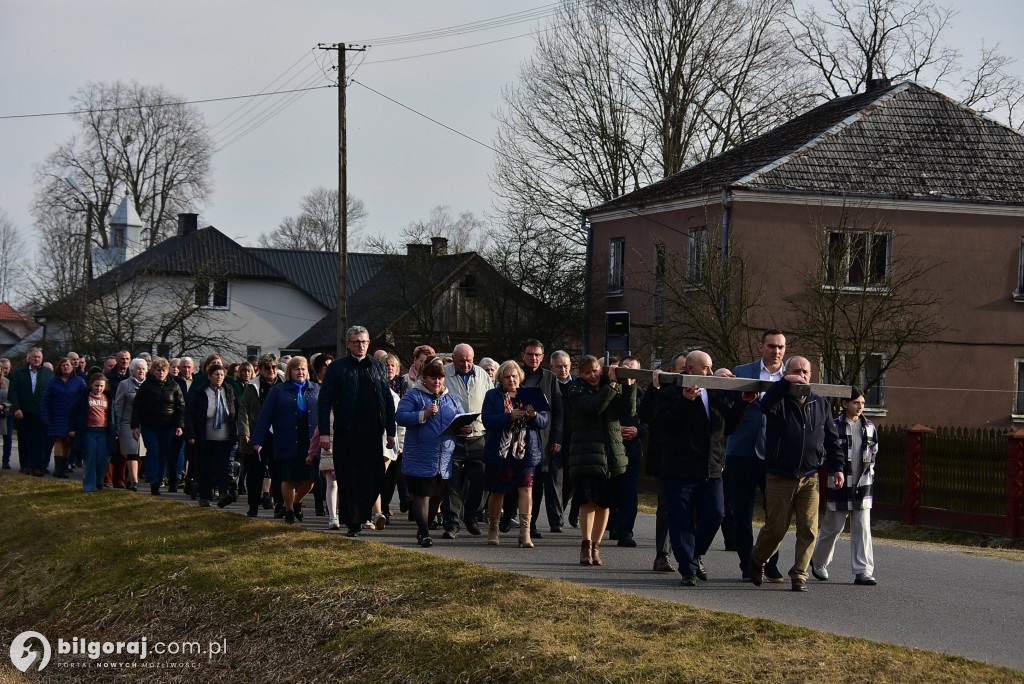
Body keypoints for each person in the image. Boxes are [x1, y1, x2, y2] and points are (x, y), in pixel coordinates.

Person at [652, 351, 755, 586]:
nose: (710, 373)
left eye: (711, 368)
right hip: (679, 469)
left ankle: (695, 554)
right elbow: (663, 427)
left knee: (715, 513)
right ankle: (688, 569)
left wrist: (743, 403)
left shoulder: (715, 392)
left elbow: (727, 427)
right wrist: (685, 402)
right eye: (706, 368)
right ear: (690, 370)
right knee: (681, 520)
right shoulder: (671, 392)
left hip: (711, 468)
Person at [749, 356, 843, 592]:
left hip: (810, 476)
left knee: (809, 528)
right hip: (780, 475)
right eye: (796, 371)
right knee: (777, 528)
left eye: (806, 371)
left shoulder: (820, 404)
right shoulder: (779, 400)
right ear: (786, 373)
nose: (802, 374)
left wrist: (838, 467)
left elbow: (832, 440)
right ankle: (758, 559)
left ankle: (799, 574)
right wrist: (783, 383)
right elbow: (764, 405)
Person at [318, 325, 396, 537]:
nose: (361, 345)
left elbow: (387, 400)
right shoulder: (337, 367)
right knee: (349, 477)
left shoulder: (378, 367)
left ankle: (363, 512)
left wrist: (391, 431)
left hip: (373, 431)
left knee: (377, 475)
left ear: (369, 343)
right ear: (348, 344)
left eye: (364, 342)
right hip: (347, 431)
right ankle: (353, 522)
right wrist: (324, 432)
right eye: (356, 342)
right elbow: (324, 401)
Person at [725, 330, 788, 582]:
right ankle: (746, 564)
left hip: (775, 455)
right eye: (771, 346)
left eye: (781, 347)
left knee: (775, 515)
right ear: (761, 347)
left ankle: (769, 563)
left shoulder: (791, 376)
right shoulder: (743, 370)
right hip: (742, 452)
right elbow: (729, 404)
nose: (776, 351)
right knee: (742, 513)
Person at [568, 355, 634, 566]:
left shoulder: (610, 387)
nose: (593, 375)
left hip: (610, 455)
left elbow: (628, 411)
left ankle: (596, 547)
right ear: (580, 374)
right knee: (587, 501)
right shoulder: (576, 390)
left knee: (605, 503)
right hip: (586, 454)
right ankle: (585, 547)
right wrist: (613, 384)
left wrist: (627, 385)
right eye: (587, 372)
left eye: (595, 370)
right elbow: (594, 406)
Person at [396, 356, 469, 547]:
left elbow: (460, 418)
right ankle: (424, 532)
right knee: (422, 495)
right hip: (420, 454)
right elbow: (400, 416)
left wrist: (465, 428)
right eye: (432, 378)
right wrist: (423, 414)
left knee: (437, 497)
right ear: (424, 378)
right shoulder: (413, 396)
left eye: (440, 378)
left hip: (444, 458)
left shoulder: (451, 399)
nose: (437, 382)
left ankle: (425, 526)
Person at [811, 388, 879, 586]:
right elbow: (827, 453)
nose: (860, 407)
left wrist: (870, 474)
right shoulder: (833, 426)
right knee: (833, 527)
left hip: (863, 485)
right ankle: (819, 562)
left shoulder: (870, 427)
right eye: (856, 403)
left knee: (862, 528)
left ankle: (863, 570)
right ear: (844, 404)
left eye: (863, 403)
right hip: (839, 484)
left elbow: (874, 453)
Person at [481, 360, 550, 547]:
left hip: (526, 451)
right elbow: (486, 420)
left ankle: (524, 533)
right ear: (500, 379)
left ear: (520, 377)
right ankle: (493, 529)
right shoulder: (492, 395)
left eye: (514, 376)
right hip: (500, 452)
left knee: (526, 489)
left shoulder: (531, 394)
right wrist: (509, 417)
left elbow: (544, 422)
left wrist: (534, 415)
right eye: (507, 376)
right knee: (497, 491)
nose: (511, 380)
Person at [253, 356, 320, 524]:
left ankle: (297, 502)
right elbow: (265, 416)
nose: (300, 372)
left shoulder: (316, 389)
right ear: (290, 371)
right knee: (288, 477)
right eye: (297, 369)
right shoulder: (278, 390)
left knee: (310, 478)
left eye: (303, 369)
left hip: (310, 440)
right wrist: (258, 440)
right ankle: (289, 510)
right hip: (286, 439)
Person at [511, 339, 562, 539]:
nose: (534, 358)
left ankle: (530, 525)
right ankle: (508, 516)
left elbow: (558, 411)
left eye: (538, 355)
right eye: (530, 354)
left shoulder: (550, 377)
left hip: (542, 438)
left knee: (537, 483)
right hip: (516, 436)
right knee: (513, 480)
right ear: (523, 355)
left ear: (543, 357)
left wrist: (556, 437)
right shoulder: (515, 374)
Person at [441, 343, 491, 538]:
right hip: (453, 438)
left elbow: (488, 403)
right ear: (453, 358)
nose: (466, 364)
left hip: (478, 436)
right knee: (451, 482)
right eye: (461, 360)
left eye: (469, 360)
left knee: (482, 479)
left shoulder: (482, 375)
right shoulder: (444, 374)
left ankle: (471, 515)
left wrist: (477, 425)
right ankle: (452, 523)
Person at [186, 363, 238, 508]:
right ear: (209, 376)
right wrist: (191, 434)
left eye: (222, 375)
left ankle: (223, 493)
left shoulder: (229, 391)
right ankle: (205, 496)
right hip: (205, 438)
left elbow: (236, 411)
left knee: (222, 467)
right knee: (205, 468)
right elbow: (190, 415)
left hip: (225, 437)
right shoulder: (201, 392)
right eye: (216, 375)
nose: (219, 377)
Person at [131, 357, 185, 496]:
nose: (161, 373)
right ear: (153, 371)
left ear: (168, 371)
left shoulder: (174, 386)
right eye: (158, 370)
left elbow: (180, 407)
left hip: (168, 426)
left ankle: (160, 479)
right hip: (150, 426)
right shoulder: (147, 386)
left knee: (164, 454)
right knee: (153, 452)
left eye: (163, 370)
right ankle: (153, 481)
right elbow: (137, 406)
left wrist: (179, 425)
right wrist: (135, 425)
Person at [238, 354, 281, 517]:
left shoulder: (283, 383)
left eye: (274, 367)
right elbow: (244, 410)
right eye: (267, 367)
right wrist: (245, 432)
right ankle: (253, 505)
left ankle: (279, 504)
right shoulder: (252, 387)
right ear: (260, 369)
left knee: (278, 472)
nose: (271, 370)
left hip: (278, 434)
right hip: (258, 434)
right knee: (255, 472)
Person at [8, 348, 55, 476]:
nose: (36, 359)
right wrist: (17, 408)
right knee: (24, 440)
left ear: (42, 359)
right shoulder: (20, 373)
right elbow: (13, 391)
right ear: (29, 358)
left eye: (39, 357)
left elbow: (52, 393)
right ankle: (25, 465)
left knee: (39, 440)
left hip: (41, 413)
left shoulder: (48, 373)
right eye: (34, 357)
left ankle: (37, 466)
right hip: (23, 412)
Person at [68, 373, 116, 492]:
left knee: (103, 459)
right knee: (89, 459)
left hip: (104, 432)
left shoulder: (108, 398)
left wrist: (116, 432)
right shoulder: (84, 397)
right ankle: (89, 486)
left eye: (101, 386)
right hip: (89, 432)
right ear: (91, 385)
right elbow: (73, 413)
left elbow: (115, 416)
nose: (99, 388)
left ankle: (99, 480)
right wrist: (72, 428)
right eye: (96, 385)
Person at [41, 357, 87, 478]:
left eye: (68, 365)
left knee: (68, 442)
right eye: (63, 365)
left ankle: (63, 466)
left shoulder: (79, 381)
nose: (66, 367)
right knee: (59, 440)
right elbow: (46, 400)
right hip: (57, 415)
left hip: (72, 417)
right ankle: (58, 469)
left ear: (72, 367)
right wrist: (45, 416)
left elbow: (84, 398)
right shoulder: (53, 381)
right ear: (59, 367)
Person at [113, 357, 148, 491]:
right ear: (132, 370)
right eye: (138, 368)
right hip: (127, 423)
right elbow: (118, 406)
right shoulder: (124, 384)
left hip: (144, 424)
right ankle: (134, 481)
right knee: (131, 452)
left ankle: (129, 479)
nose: (141, 371)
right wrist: (117, 425)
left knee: (140, 454)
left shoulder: (149, 385)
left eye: (143, 368)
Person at [0, 357, 11, 469]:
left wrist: (3, 405)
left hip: (5, 413)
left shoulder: (7, 382)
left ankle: (5, 461)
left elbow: (11, 398)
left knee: (7, 437)